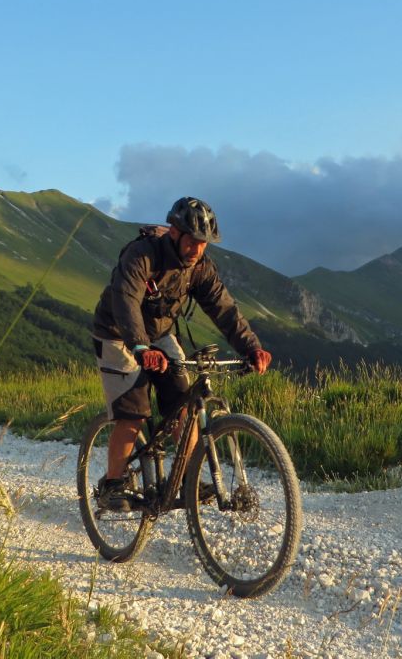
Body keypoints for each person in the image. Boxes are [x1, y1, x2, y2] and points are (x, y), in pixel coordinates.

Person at [91, 196, 272, 511]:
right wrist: (140, 347)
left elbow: (224, 308)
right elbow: (126, 301)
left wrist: (251, 347)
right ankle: (112, 485)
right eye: (193, 241)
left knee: (183, 408)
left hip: (159, 334)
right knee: (133, 413)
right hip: (118, 334)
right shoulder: (142, 255)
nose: (198, 249)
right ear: (174, 232)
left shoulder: (199, 267)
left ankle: (186, 480)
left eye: (204, 243)